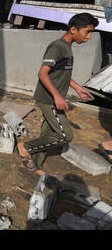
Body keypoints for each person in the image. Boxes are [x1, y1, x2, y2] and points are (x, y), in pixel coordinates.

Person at [17, 13, 99, 175]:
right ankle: (25, 147)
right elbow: (43, 73)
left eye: (91, 33)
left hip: (54, 97)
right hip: (49, 99)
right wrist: (57, 96)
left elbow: (60, 73)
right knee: (64, 136)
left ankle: (37, 165)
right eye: (87, 32)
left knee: (48, 133)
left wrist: (77, 87)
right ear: (73, 30)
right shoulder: (58, 47)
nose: (89, 37)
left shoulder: (67, 48)